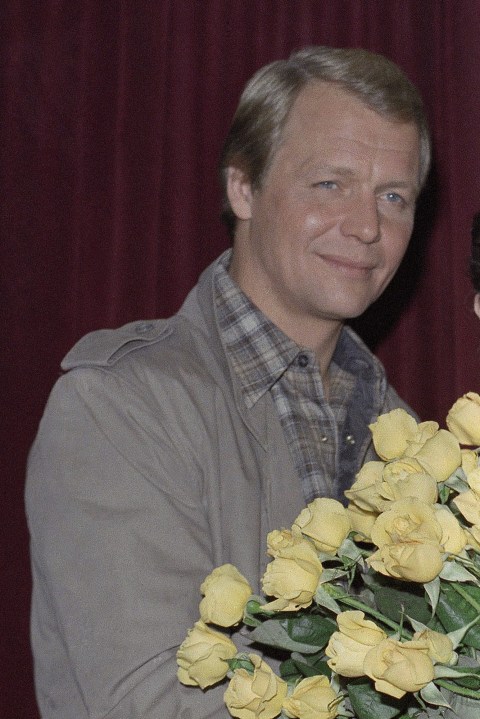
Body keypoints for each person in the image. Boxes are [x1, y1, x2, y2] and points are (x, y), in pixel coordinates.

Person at [26, 46, 430, 718]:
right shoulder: (118, 407)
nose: (367, 226)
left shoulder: (409, 438)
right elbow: (148, 703)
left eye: (394, 196)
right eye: (330, 184)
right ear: (242, 187)